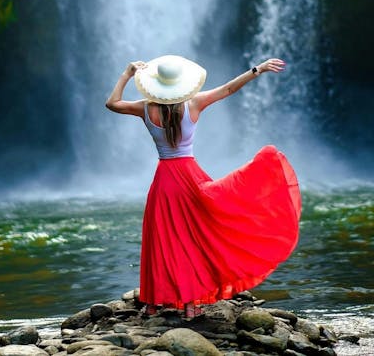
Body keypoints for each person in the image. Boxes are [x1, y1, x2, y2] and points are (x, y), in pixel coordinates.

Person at [106, 54, 301, 319]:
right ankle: (189, 305)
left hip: (164, 179)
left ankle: (152, 304)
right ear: (181, 85)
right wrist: (258, 69)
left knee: (161, 239)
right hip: (190, 177)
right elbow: (229, 88)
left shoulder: (144, 108)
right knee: (194, 237)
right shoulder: (194, 103)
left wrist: (127, 74)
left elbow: (112, 103)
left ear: (155, 85)